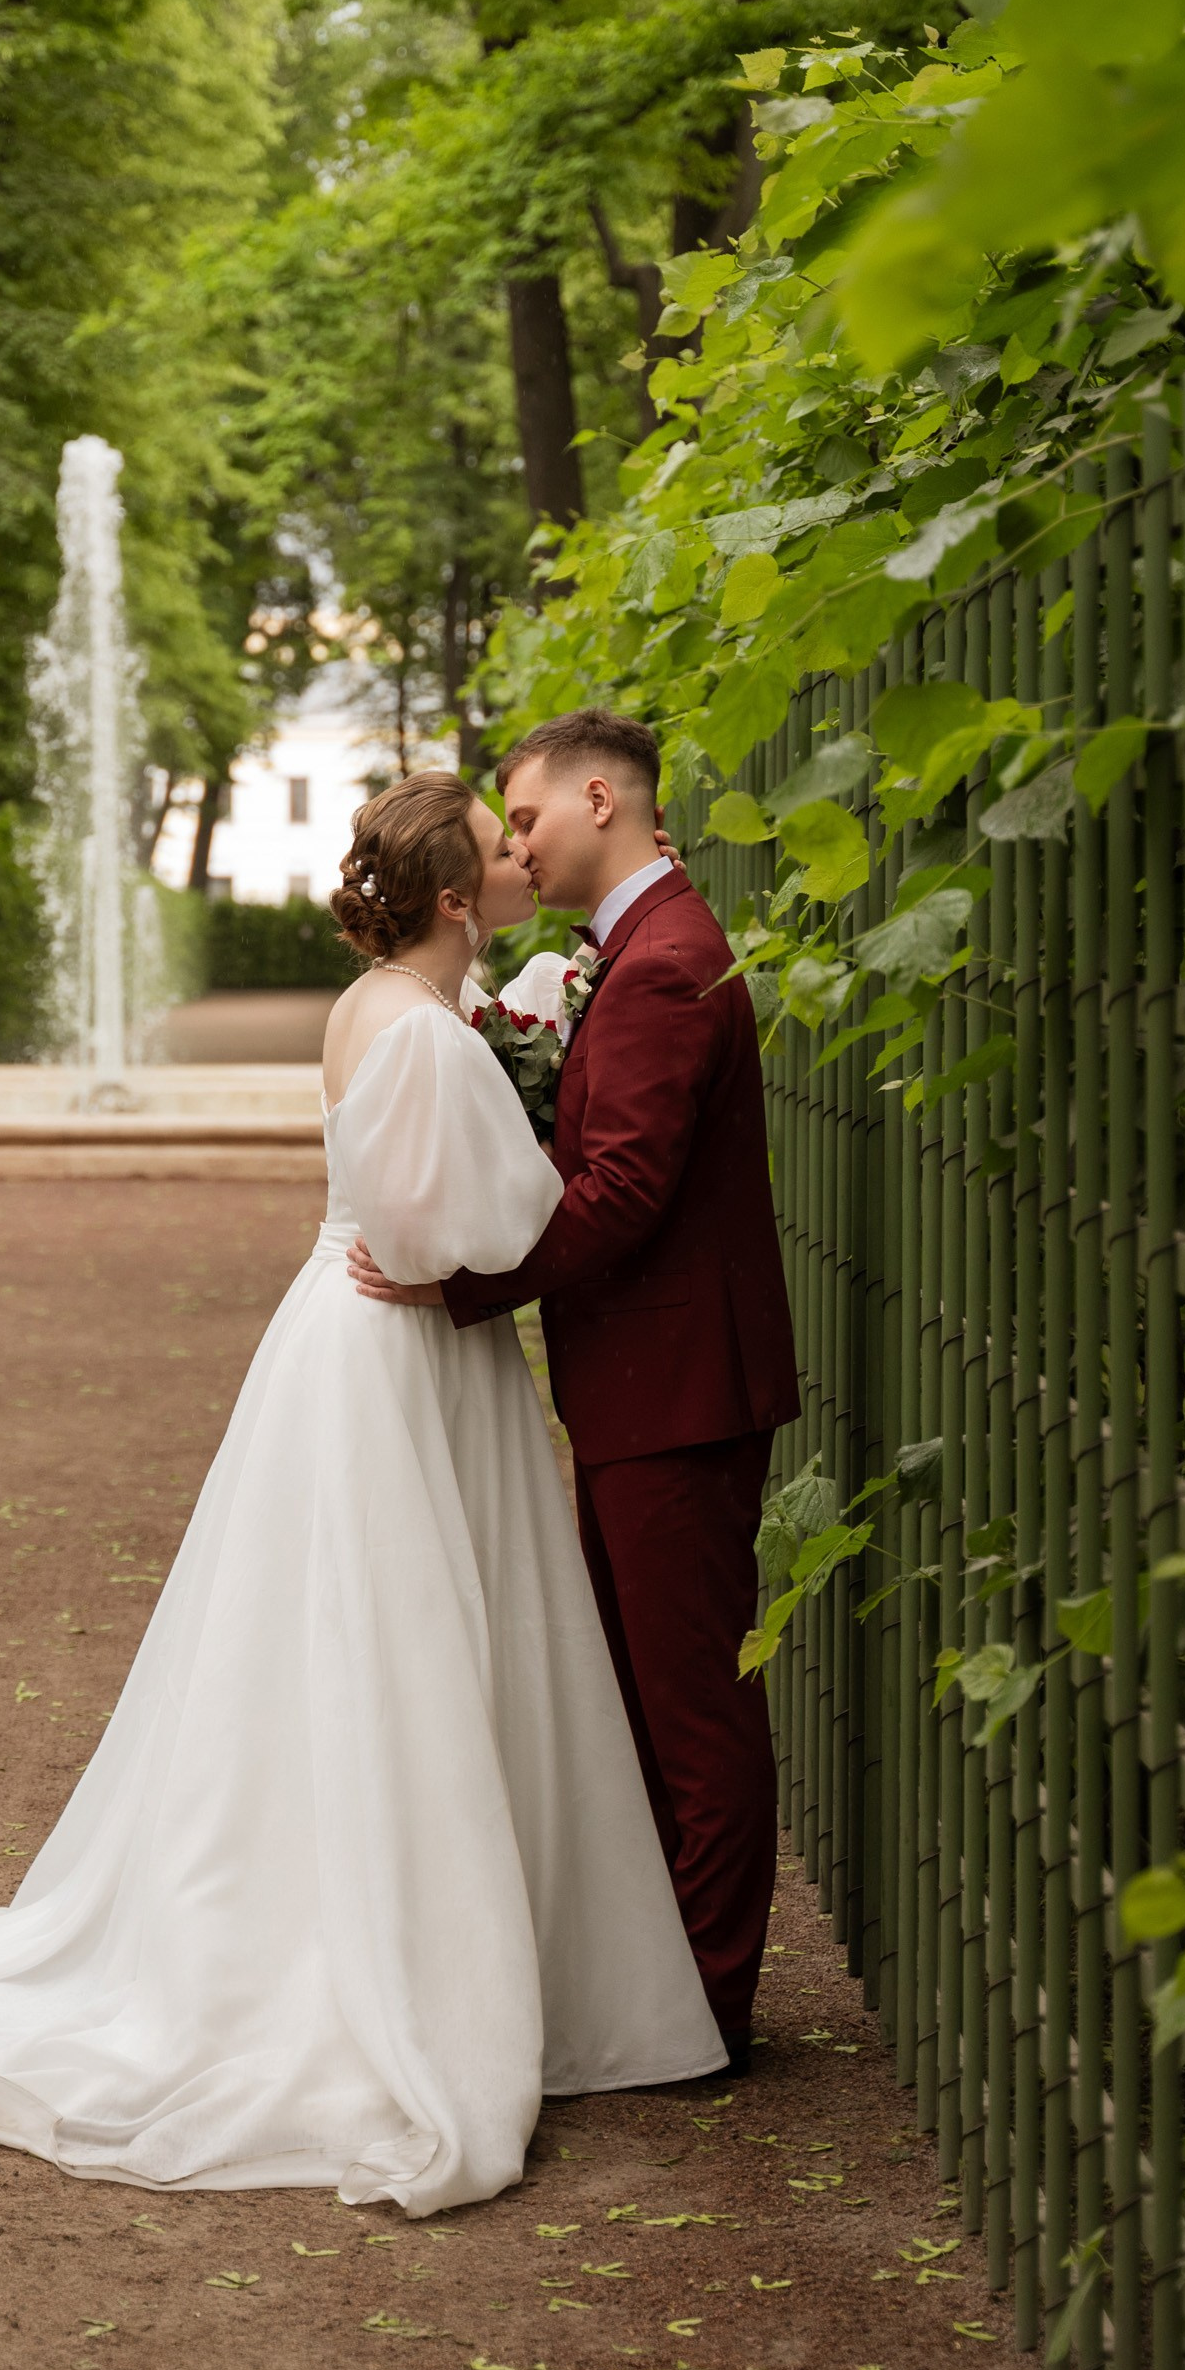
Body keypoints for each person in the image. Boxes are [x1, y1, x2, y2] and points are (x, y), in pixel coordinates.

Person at [0, 771, 723, 2208]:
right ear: (455, 896)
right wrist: (547, 1153)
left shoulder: (380, 1009)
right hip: (401, 1349)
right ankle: (404, 1955)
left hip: (355, 1341)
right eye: (503, 848)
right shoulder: (429, 1036)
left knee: (353, 1642)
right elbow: (465, 1231)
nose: (522, 858)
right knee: (402, 1642)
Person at [349, 711, 799, 2072]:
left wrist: (460, 1286)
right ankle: (667, 1985)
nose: (523, 847)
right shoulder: (641, 947)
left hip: (679, 1390)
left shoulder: (661, 964)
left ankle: (711, 2006)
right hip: (652, 1384)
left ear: (601, 799)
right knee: (654, 1697)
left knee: (690, 1706)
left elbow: (623, 1191)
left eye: (531, 818)